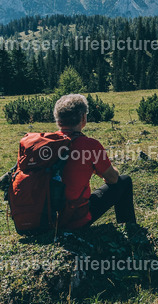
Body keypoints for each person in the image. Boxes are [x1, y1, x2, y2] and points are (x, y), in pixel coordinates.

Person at [53, 93, 145, 240]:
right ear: (83, 118)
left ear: (58, 120)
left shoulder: (46, 144)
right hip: (73, 219)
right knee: (124, 181)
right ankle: (131, 232)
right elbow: (113, 179)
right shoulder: (90, 145)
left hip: (45, 218)